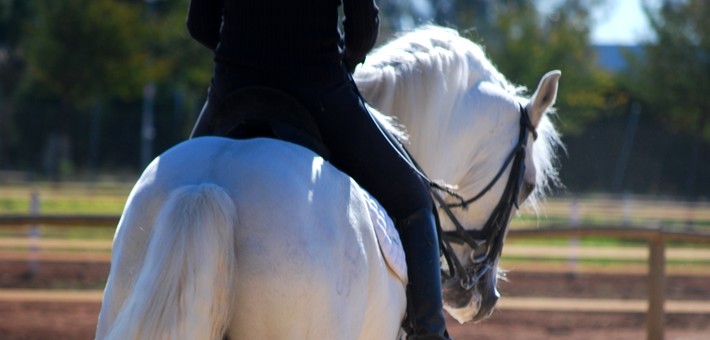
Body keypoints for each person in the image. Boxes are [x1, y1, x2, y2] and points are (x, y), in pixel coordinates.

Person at [186, 1, 450, 338]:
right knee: (414, 199)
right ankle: (429, 330)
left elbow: (199, 23)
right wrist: (343, 60)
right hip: (318, 89)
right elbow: (363, 28)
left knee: (170, 193)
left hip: (232, 87)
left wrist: (243, 53)